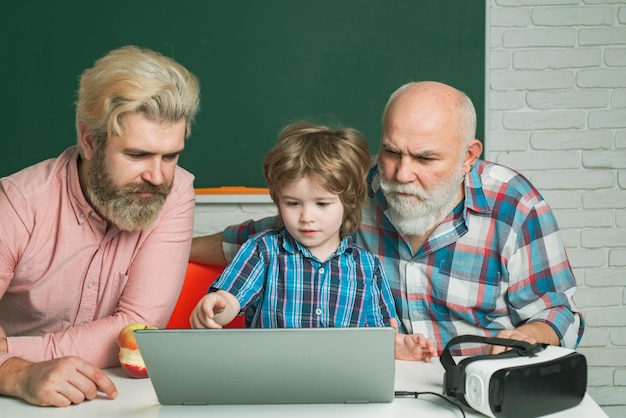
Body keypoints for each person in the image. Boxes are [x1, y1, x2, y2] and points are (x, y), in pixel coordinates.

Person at [190, 81, 584, 356]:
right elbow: (265, 238)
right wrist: (160, 248)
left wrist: (527, 336)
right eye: (392, 151)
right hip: (389, 386)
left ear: (468, 156)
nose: (399, 173)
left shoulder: (514, 204)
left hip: (474, 380)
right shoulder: (357, 186)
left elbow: (558, 313)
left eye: (425, 158)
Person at [0, 45, 200, 407]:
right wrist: (16, 372)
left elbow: (138, 327)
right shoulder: (17, 203)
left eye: (170, 156)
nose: (157, 177)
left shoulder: (176, 191)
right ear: (90, 141)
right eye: (137, 155)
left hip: (119, 400)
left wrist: (9, 352)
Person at [190, 121, 436, 361]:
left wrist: (396, 346)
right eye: (293, 203)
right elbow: (232, 299)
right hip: (272, 375)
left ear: (348, 202)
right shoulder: (262, 251)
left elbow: (379, 336)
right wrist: (216, 307)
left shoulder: (367, 267)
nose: (307, 217)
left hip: (342, 380)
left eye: (322, 204)